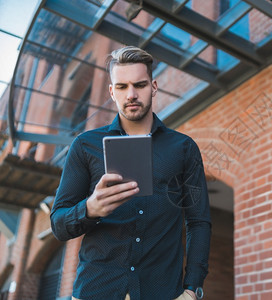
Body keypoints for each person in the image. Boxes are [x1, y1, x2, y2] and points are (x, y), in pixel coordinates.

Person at [51, 46, 211, 300]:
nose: (132, 94)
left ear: (154, 87)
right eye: (122, 87)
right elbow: (58, 225)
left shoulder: (183, 148)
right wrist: (90, 209)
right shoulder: (85, 145)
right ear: (112, 92)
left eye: (140, 84)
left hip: (162, 292)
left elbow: (198, 222)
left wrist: (192, 289)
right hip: (95, 291)